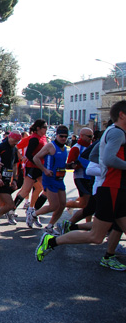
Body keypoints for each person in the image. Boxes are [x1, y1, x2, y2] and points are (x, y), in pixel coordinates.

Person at [36, 101, 126, 265]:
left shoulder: (115, 132)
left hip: (117, 188)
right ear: (122, 115)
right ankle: (51, 241)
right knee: (96, 236)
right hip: (111, 187)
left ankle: (108, 257)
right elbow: (108, 159)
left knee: (117, 227)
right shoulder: (117, 133)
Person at [29, 126, 70, 234]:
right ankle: (33, 214)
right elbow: (36, 158)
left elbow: (60, 164)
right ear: (56, 135)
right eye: (61, 136)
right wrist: (45, 170)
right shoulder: (50, 146)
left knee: (62, 205)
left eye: (65, 137)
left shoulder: (64, 148)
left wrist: (69, 165)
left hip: (60, 179)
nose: (63, 138)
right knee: (54, 206)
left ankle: (50, 226)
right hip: (50, 179)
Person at [13, 119, 48, 227]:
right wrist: (22, 158)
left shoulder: (43, 138)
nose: (46, 129)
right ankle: (10, 210)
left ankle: (33, 212)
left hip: (40, 168)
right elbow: (26, 153)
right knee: (25, 191)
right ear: (38, 128)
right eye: (44, 127)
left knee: (44, 189)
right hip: (32, 167)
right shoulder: (32, 139)